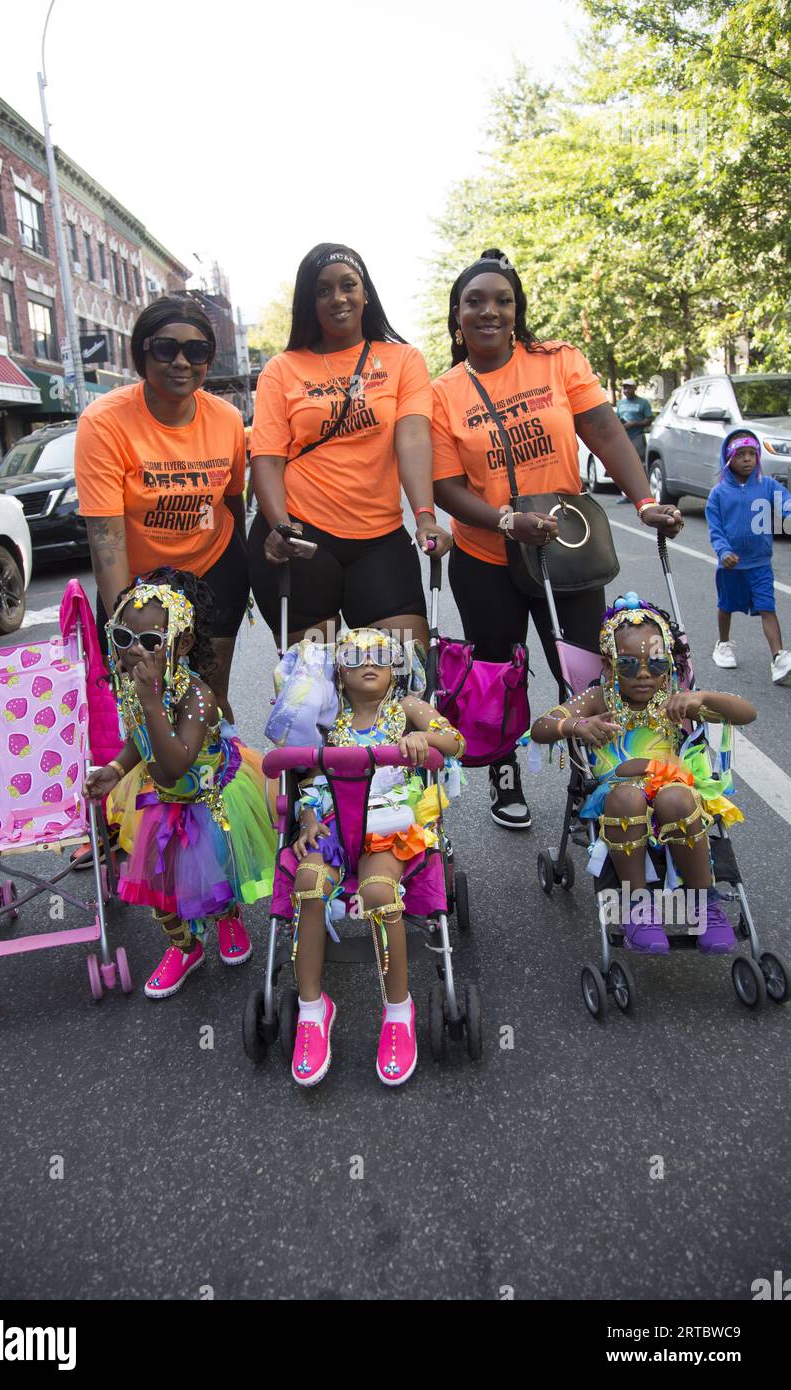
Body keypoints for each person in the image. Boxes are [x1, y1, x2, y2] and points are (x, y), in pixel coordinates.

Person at [431, 249, 684, 830]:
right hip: (485, 553)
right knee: (498, 670)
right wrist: (502, 520)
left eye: (503, 301)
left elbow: (604, 431)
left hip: (565, 549)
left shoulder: (557, 360)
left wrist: (645, 500)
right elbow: (443, 485)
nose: (489, 311)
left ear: (518, 311)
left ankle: (587, 775)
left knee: (582, 672)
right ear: (457, 314)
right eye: (476, 302)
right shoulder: (442, 391)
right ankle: (503, 771)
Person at [83, 569, 276, 1000]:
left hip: (211, 796)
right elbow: (141, 738)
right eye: (122, 639)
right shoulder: (135, 688)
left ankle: (227, 919)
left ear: (182, 643)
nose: (135, 652)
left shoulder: (198, 697)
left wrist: (151, 701)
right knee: (161, 883)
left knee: (217, 869)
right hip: (164, 799)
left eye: (150, 642)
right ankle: (184, 946)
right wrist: (116, 768)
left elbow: (173, 763)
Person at [249, 243, 451, 651]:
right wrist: (280, 526)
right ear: (309, 301)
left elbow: (412, 438)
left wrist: (425, 516)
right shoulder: (282, 368)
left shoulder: (402, 359)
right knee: (310, 693)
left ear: (366, 294)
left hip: (379, 541)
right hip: (302, 538)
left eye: (347, 286)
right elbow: (267, 460)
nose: (337, 298)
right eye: (322, 290)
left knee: (402, 678)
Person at [288, 628, 464, 1088]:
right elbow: (308, 781)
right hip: (332, 824)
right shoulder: (328, 718)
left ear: (395, 667)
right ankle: (312, 1010)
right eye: (356, 656)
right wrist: (308, 818)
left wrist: (422, 741)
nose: (370, 662)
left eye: (382, 654)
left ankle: (398, 1012)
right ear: (340, 672)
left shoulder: (407, 709)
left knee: (380, 893)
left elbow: (455, 742)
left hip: (387, 826)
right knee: (307, 885)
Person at [531, 594, 755, 953]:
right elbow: (541, 726)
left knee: (678, 797)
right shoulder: (600, 698)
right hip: (617, 792)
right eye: (630, 665)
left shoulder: (674, 697)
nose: (645, 675)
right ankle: (637, 908)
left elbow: (746, 713)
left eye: (657, 664)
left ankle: (703, 905)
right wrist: (576, 725)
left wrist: (702, 699)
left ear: (668, 663)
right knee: (627, 796)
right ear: (608, 664)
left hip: (672, 787)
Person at [75, 296, 248, 722]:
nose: (181, 362)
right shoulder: (104, 421)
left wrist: (243, 568)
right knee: (139, 705)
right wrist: (124, 629)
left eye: (197, 350)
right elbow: (106, 540)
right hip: (136, 580)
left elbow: (233, 500)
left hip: (213, 570)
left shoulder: (226, 418)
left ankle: (216, 783)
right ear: (142, 353)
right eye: (166, 348)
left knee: (206, 701)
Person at [706, 430, 791, 685]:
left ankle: (778, 657)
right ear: (728, 458)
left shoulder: (767, 485)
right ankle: (723, 644)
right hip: (731, 564)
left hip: (760, 564)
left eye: (752, 454)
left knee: (767, 607)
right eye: (740, 454)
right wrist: (724, 552)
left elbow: (785, 501)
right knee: (726, 606)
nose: (747, 459)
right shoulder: (719, 493)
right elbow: (716, 529)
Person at [615, 379, 653, 473]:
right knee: (624, 463)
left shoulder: (643, 402)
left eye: (629, 388)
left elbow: (649, 420)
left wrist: (633, 424)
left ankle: (642, 486)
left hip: (637, 437)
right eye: (624, 388)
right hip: (623, 437)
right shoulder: (620, 403)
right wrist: (620, 424)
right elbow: (617, 418)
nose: (626, 390)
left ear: (635, 388)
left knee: (640, 464)